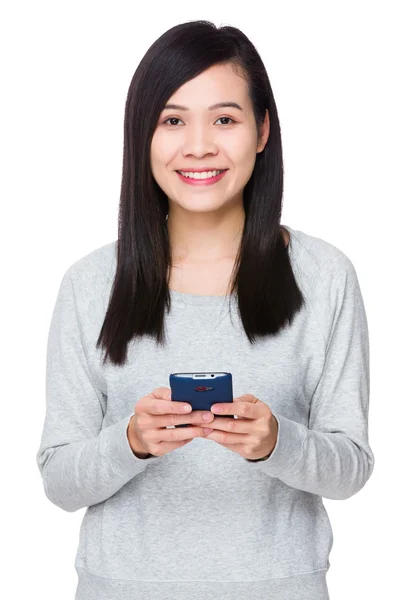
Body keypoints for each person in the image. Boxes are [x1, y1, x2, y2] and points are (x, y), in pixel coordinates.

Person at [36, 20, 375, 600]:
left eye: (224, 119)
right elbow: (59, 482)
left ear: (262, 130)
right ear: (142, 136)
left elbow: (351, 467)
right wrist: (133, 441)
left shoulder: (324, 277)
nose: (198, 146)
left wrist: (275, 442)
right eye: (172, 120)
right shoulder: (91, 284)